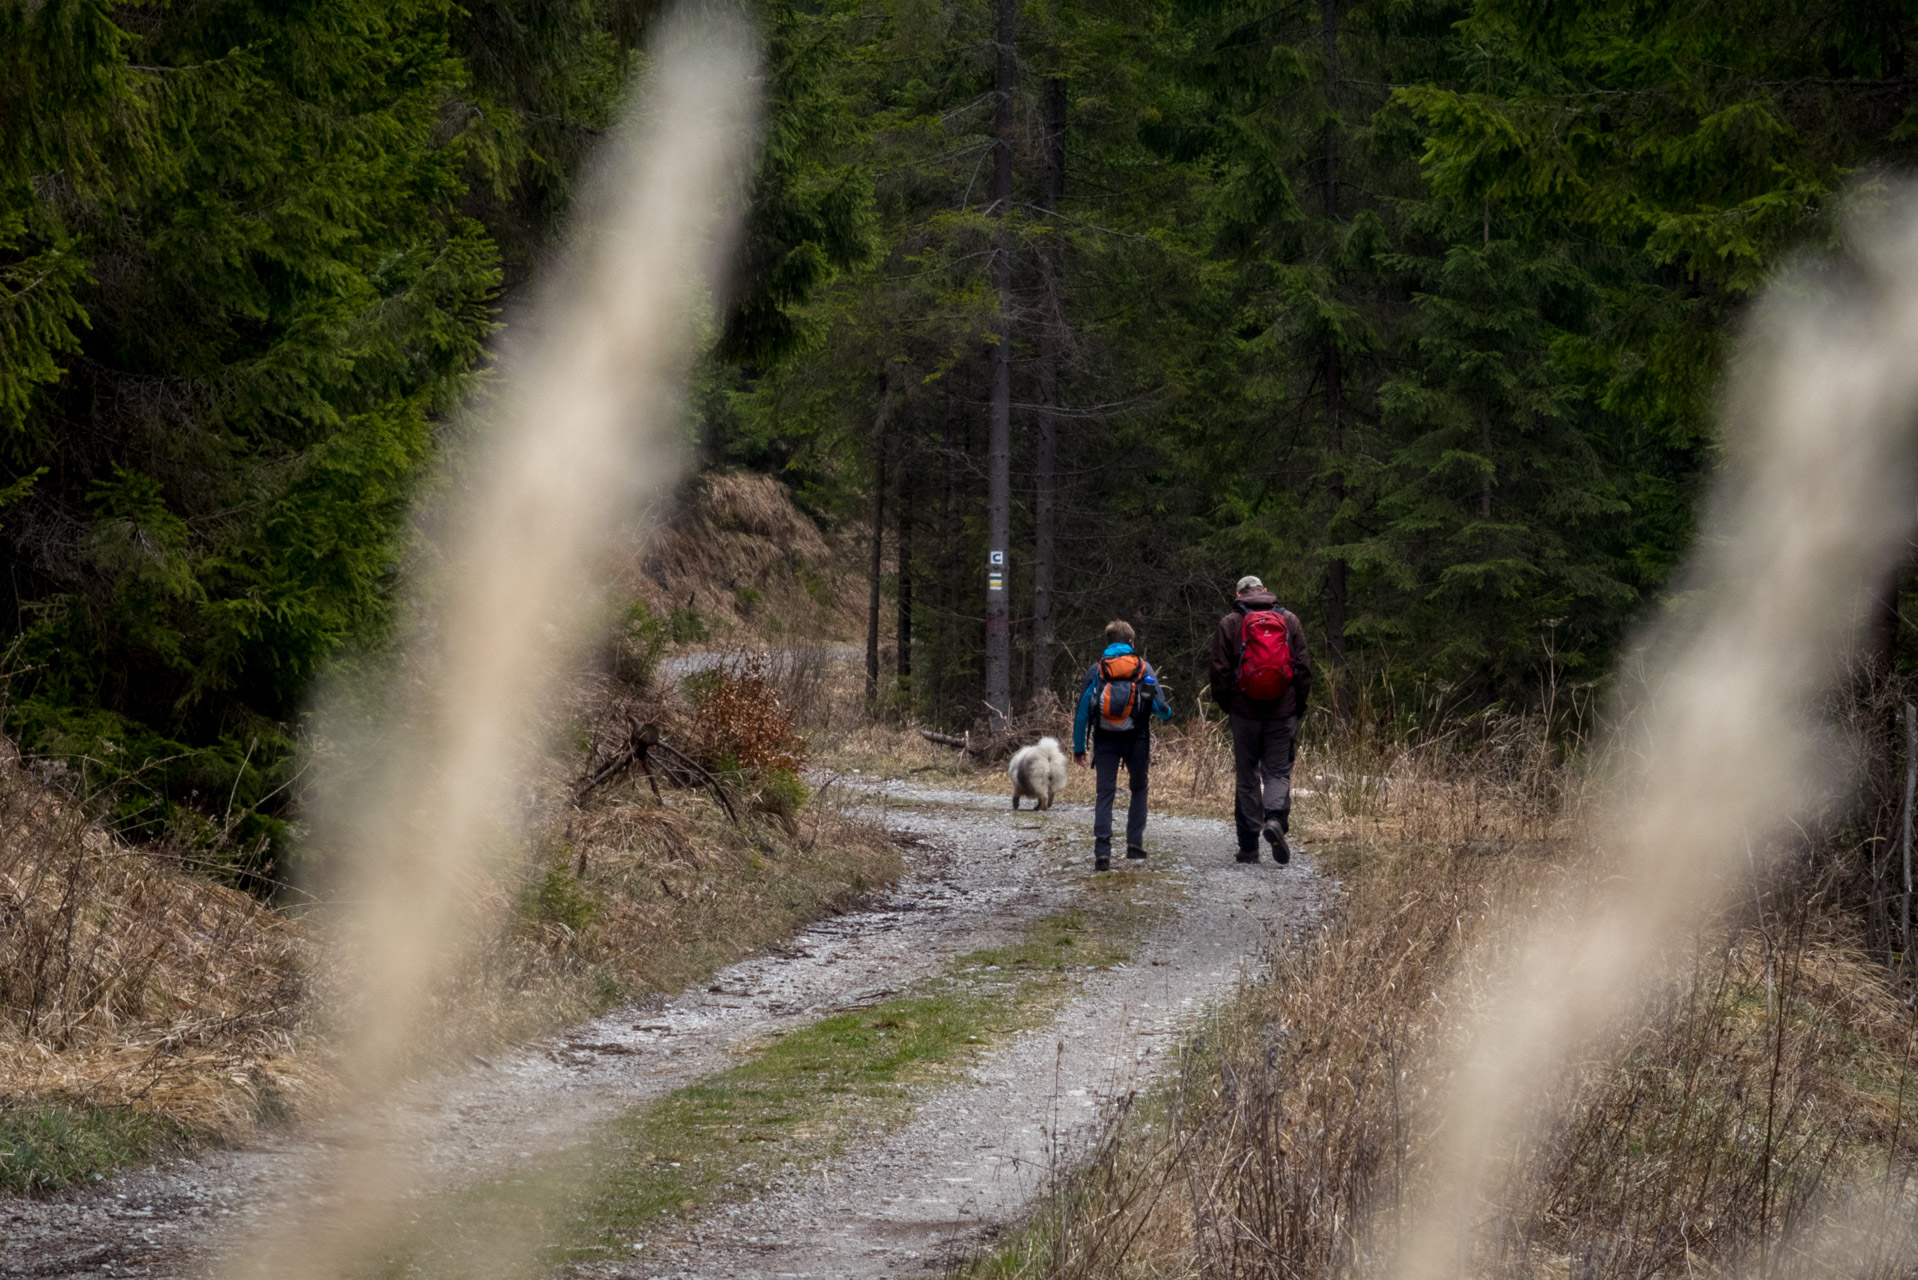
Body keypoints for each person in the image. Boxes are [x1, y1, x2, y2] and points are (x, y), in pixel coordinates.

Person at [1208, 576, 1311, 864]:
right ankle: (1275, 819)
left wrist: (1229, 705)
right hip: (1283, 711)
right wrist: (1296, 707)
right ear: (1264, 591)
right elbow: (1303, 668)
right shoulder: (1289, 620)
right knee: (1277, 772)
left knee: (1247, 775)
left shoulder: (1230, 622)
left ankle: (1249, 846)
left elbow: (1219, 670)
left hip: (1244, 713)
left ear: (1239, 594)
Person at [1071, 620, 1172, 871]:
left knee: (1105, 793)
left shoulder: (1096, 670)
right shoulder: (1143, 667)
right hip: (1136, 739)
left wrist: (1078, 748)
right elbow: (1160, 709)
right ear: (1131, 642)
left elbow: (1083, 712)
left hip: (1104, 740)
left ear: (1108, 642)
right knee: (1139, 788)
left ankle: (1102, 852)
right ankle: (1134, 845)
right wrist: (1167, 713)